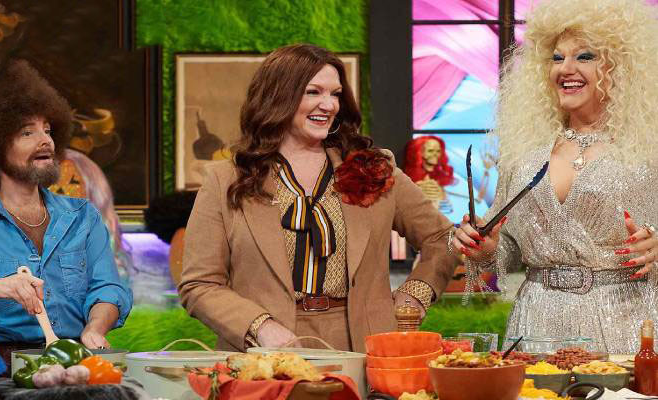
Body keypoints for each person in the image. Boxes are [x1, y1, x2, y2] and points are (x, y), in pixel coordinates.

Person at [179, 43, 463, 353]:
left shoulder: (372, 169)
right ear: (278, 97)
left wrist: (416, 294)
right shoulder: (226, 180)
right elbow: (200, 284)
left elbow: (442, 238)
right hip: (264, 354)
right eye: (313, 92)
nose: (329, 105)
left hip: (364, 349)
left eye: (335, 94)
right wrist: (259, 327)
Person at [452, 0, 658, 353]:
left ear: (620, 65)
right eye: (557, 57)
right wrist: (486, 247)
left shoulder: (649, 149)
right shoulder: (525, 152)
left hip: (626, 324)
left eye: (585, 56)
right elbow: (507, 249)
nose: (566, 69)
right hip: (536, 325)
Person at [0, 60, 132, 362]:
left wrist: (94, 328)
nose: (45, 141)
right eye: (28, 133)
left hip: (75, 358)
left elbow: (108, 287)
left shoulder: (83, 216)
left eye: (48, 130)